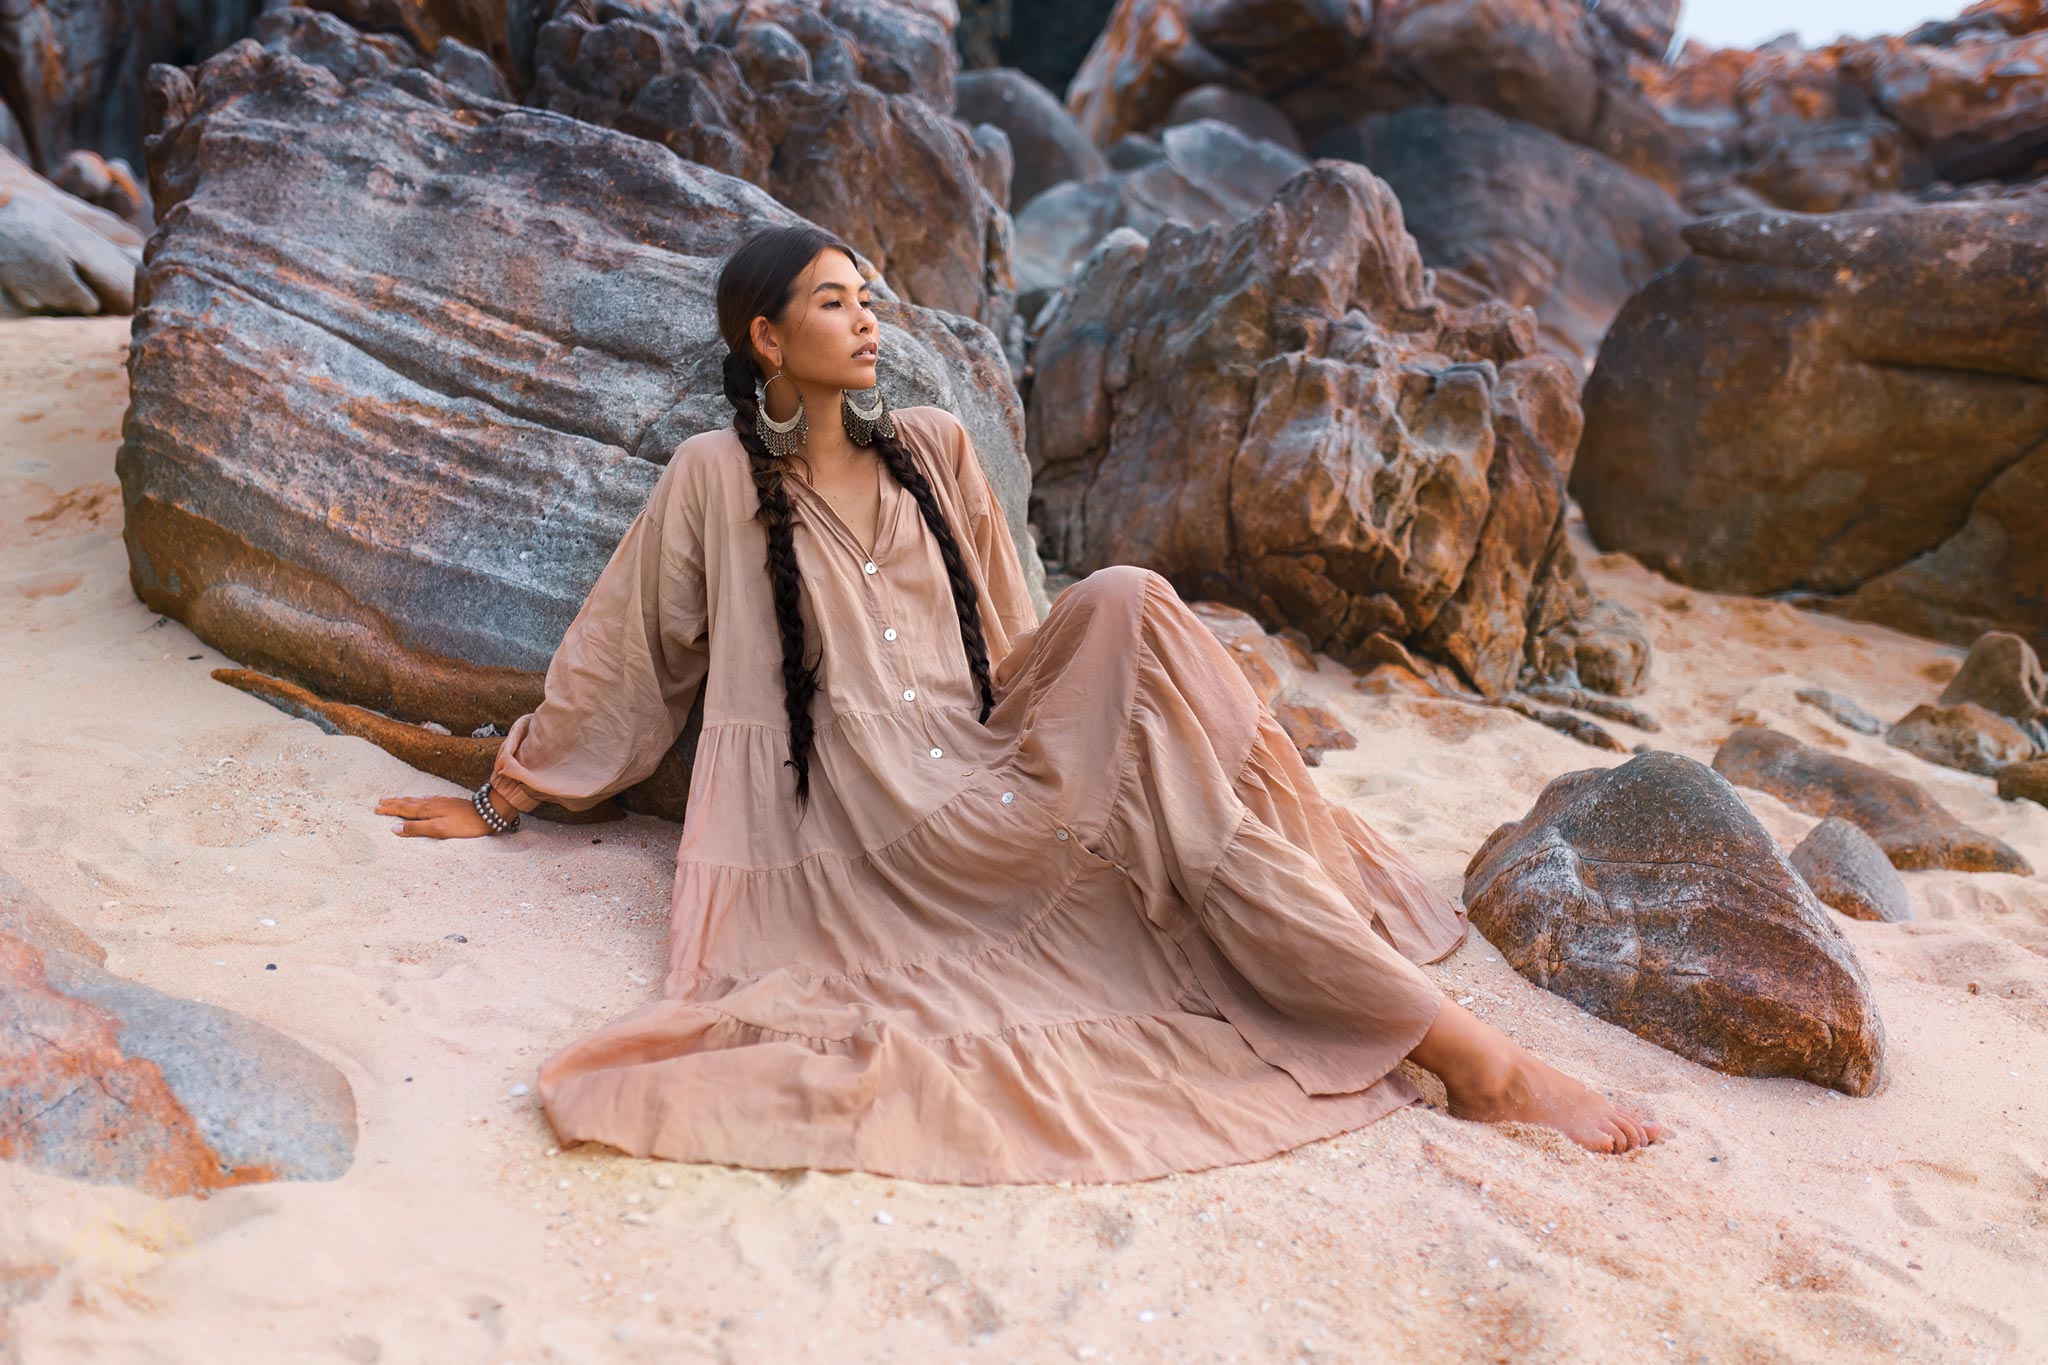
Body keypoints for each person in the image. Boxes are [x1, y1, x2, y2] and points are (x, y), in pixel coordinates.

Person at [374, 223, 1665, 1183]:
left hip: (984, 757)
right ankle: (1467, 1054)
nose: (867, 321)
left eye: (868, 298)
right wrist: (503, 793)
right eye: (833, 304)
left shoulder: (932, 446)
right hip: (870, 828)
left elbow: (1019, 641)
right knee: (1188, 819)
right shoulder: (714, 478)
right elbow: (627, 660)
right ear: (766, 339)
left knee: (1130, 609)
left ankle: (1420, 1016)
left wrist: (1082, 757)